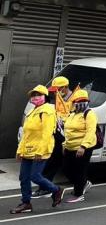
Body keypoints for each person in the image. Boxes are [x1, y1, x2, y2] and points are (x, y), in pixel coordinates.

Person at [11, 85, 62, 214]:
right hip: (28, 149)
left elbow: (47, 133)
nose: (35, 97)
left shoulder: (47, 111)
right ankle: (26, 203)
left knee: (35, 176)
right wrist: (19, 151)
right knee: (24, 177)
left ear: (45, 97)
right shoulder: (31, 112)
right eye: (33, 95)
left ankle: (56, 190)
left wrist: (40, 151)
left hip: (41, 150)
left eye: (38, 95)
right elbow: (26, 134)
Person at [62, 89, 97, 204]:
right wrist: (64, 144)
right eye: (78, 101)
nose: (80, 103)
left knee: (79, 170)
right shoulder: (72, 113)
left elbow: (90, 132)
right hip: (69, 147)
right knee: (67, 169)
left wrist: (83, 146)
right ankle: (83, 183)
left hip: (83, 147)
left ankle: (79, 194)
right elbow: (67, 131)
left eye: (83, 100)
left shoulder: (89, 114)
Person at [41, 75, 73, 185]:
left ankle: (81, 183)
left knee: (66, 165)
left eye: (58, 90)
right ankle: (46, 185)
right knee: (53, 161)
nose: (55, 93)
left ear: (65, 87)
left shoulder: (75, 99)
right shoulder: (57, 99)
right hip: (56, 134)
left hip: (69, 136)